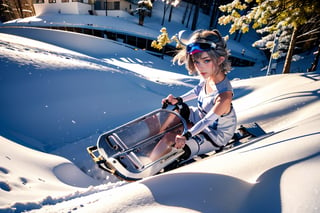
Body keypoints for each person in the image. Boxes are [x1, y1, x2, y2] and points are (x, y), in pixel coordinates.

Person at [150, 29, 237, 161]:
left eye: (206, 60)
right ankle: (152, 145)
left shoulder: (224, 96)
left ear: (220, 60)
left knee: (170, 138)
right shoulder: (208, 76)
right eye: (197, 62)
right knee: (171, 117)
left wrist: (187, 135)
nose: (200, 67)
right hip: (199, 117)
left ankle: (147, 165)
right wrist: (178, 100)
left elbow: (207, 121)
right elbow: (197, 91)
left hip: (213, 134)